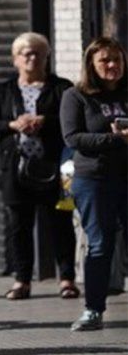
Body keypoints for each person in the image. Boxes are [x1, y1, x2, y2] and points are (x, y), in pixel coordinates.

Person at [0, 32, 78, 300]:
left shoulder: (62, 87)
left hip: (56, 167)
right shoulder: (4, 91)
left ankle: (67, 278)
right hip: (16, 168)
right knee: (18, 226)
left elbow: (74, 121)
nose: (32, 58)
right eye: (25, 54)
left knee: (60, 223)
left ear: (47, 57)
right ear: (15, 60)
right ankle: (21, 280)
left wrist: (45, 121)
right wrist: (13, 125)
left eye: (37, 53)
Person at [61, 37, 128, 331]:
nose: (112, 65)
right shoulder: (76, 96)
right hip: (95, 180)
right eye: (105, 60)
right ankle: (93, 310)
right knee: (100, 244)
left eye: (117, 59)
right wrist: (115, 139)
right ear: (92, 64)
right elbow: (73, 138)